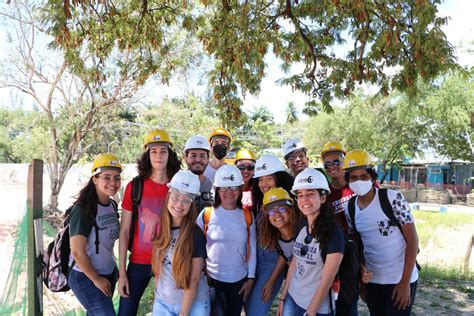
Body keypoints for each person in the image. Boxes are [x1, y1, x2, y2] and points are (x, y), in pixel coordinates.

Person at [343, 150, 419, 316]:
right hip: (373, 282)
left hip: (400, 279)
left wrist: (404, 282)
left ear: (372, 177)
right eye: (353, 177)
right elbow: (358, 244)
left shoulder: (392, 198)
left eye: (363, 176)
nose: (359, 181)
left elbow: (413, 241)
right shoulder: (348, 208)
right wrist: (363, 282)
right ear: (347, 180)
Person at [118, 129, 181, 315]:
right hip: (139, 261)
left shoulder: (178, 185)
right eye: (153, 151)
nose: (158, 155)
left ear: (169, 154)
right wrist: (122, 273)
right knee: (126, 311)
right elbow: (124, 232)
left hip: (169, 261)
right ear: (147, 155)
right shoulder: (135, 186)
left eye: (163, 151)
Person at [278, 167, 345, 316]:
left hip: (316, 308)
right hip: (293, 299)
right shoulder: (302, 224)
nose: (304, 200)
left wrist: (311, 312)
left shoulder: (334, 233)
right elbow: (295, 262)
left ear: (322, 197)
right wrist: (283, 298)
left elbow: (326, 282)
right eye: (300, 195)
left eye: (310, 194)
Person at [196, 164, 257, 316]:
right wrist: (203, 274)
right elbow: (195, 248)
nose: (229, 192)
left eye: (234, 187)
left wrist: (250, 278)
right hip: (212, 282)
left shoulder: (247, 216)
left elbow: (252, 249)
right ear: (217, 190)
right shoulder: (206, 215)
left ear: (240, 190)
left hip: (239, 281)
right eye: (224, 188)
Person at [68, 153, 123, 315]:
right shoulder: (83, 209)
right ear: (95, 179)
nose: (113, 183)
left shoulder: (112, 205)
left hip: (108, 273)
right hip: (86, 276)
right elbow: (77, 251)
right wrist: (96, 279)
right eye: (106, 177)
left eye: (117, 177)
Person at [152, 170, 210, 316]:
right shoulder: (160, 227)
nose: (179, 204)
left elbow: (194, 278)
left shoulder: (195, 234)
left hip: (192, 304)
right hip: (163, 302)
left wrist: (183, 313)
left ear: (192, 204)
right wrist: (157, 298)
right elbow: (161, 267)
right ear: (168, 196)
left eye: (186, 200)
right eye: (176, 197)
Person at [246, 154, 294, 315]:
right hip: (254, 263)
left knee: (255, 311)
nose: (264, 184)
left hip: (271, 266)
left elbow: (286, 249)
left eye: (269, 178)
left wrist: (272, 280)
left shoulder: (286, 208)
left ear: (278, 179)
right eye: (260, 179)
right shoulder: (261, 204)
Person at [322, 142, 359, 316]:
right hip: (345, 253)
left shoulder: (358, 184)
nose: (332, 167)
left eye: (336, 161)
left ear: (344, 161)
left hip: (367, 248)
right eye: (327, 164)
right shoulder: (326, 194)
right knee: (344, 299)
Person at [259, 187, 300, 264]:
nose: (277, 213)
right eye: (271, 211)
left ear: (291, 210)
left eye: (282, 208)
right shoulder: (277, 241)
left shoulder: (302, 232)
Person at [183, 135, 214, 211]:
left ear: (207, 159)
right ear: (186, 158)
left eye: (202, 156)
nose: (198, 160)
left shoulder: (213, 186)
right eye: (193, 155)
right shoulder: (177, 183)